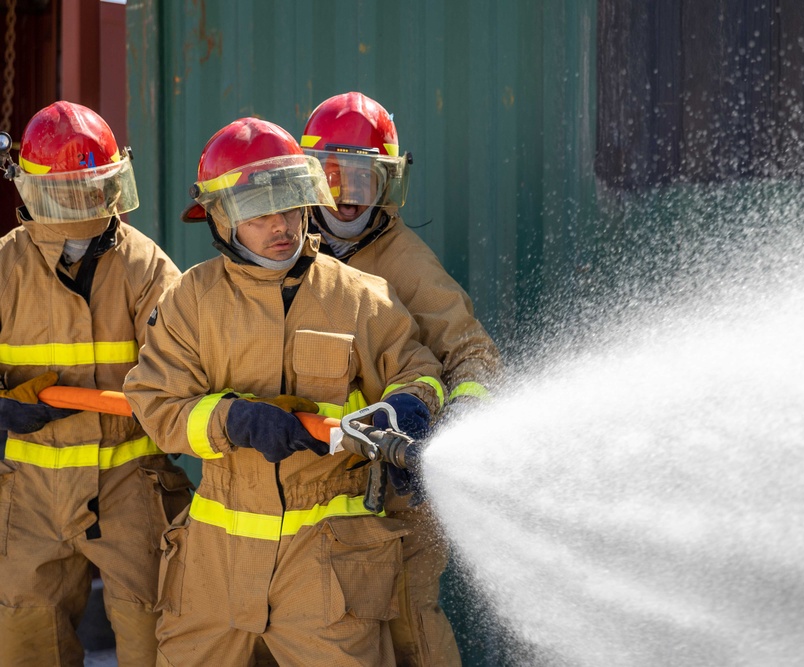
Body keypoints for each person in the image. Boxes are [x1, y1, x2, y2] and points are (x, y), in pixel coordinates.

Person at [123, 117, 445, 666]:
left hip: (327, 570)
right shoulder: (190, 301)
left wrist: (409, 405)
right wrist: (233, 420)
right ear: (221, 219)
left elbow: (420, 370)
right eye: (259, 212)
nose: (282, 226)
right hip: (212, 570)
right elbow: (156, 402)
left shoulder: (363, 298)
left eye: (291, 205)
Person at [300, 91, 503, 667]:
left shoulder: (405, 261)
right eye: (333, 176)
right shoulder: (287, 248)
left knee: (411, 625)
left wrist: (457, 424)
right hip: (315, 484)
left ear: (387, 183)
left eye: (363, 179)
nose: (345, 197)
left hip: (396, 490)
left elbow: (469, 351)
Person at [0, 100, 192, 665]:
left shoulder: (145, 267)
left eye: (91, 189)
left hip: (129, 482)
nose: (80, 206)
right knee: (25, 635)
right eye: (66, 192)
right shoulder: (6, 267)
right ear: (33, 193)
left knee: (152, 633)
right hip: (30, 490)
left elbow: (186, 364)